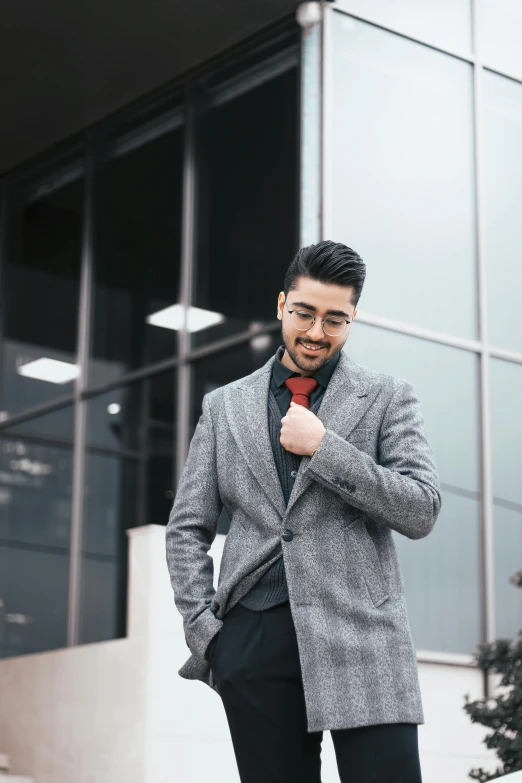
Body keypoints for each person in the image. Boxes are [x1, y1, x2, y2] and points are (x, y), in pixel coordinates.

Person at [165, 240, 441, 783]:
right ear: (281, 305)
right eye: (305, 313)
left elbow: (421, 509)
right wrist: (209, 634)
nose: (316, 332)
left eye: (335, 319)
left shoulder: (388, 397)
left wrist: (326, 448)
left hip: (365, 634)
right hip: (253, 642)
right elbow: (186, 528)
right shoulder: (224, 406)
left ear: (353, 317)